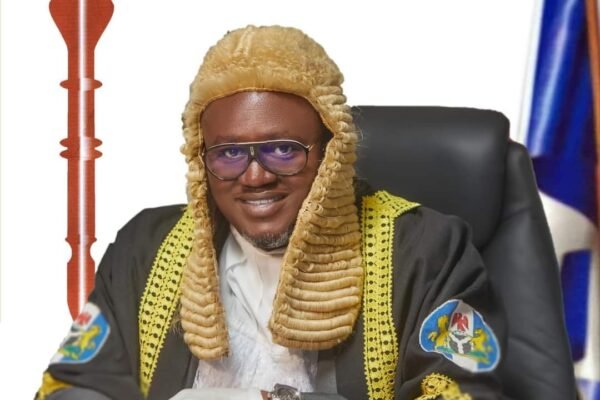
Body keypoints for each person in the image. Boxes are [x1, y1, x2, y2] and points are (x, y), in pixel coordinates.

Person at [36, 25, 506, 400]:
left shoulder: (426, 250)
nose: (256, 176)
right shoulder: (145, 248)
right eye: (228, 154)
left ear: (331, 152)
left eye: (283, 150)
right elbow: (73, 382)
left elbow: (463, 391)